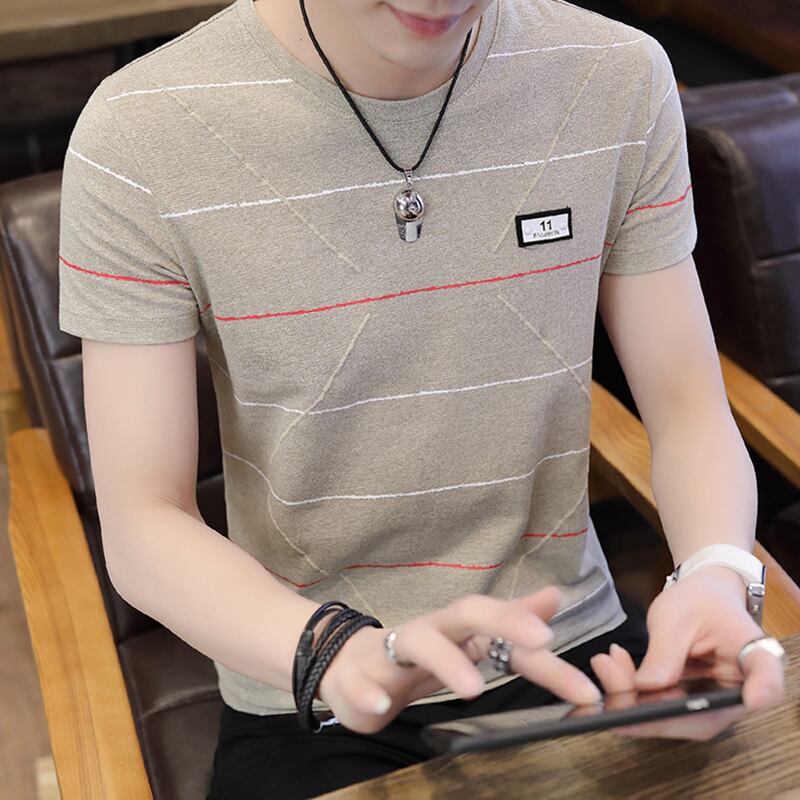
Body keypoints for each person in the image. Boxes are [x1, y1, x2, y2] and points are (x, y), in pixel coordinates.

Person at [57, 0, 786, 797]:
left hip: (572, 645)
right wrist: (337, 653)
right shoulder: (139, 132)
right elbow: (144, 521)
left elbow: (688, 412)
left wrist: (716, 574)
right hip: (308, 671)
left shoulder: (615, 76)